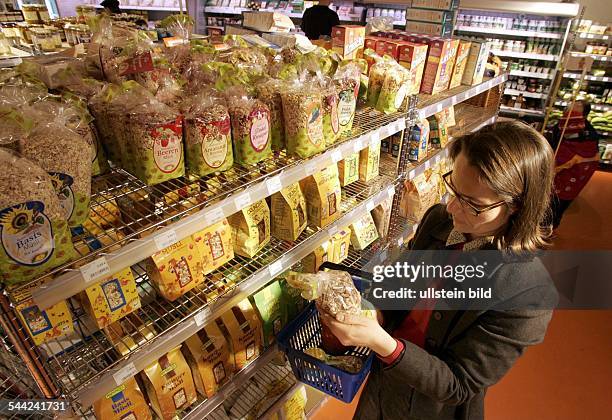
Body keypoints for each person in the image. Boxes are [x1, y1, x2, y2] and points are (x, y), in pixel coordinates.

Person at [319, 121, 558, 420]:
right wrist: (374, 312)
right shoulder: (439, 222)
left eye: (473, 204)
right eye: (454, 188)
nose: (452, 208)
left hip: (431, 407)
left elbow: (458, 384)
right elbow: (399, 289)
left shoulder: (529, 292)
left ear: (517, 207)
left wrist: (380, 340)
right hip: (383, 385)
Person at [548, 101, 599, 229]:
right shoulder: (562, 125)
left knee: (557, 204)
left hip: (569, 178)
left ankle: (550, 227)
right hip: (557, 173)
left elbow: (589, 157)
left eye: (574, 108)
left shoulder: (588, 134)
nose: (569, 108)